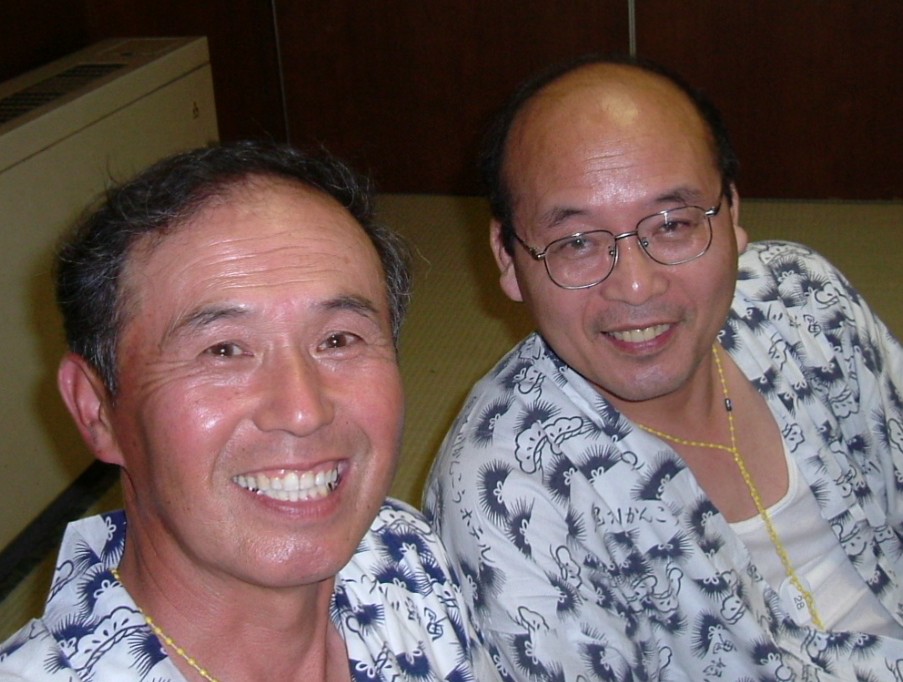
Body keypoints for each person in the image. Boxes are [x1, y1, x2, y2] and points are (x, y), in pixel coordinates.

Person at [424, 54, 903, 680]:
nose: (636, 285)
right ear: (508, 258)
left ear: (732, 215)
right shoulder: (506, 499)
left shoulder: (803, 301)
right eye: (577, 242)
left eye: (674, 224)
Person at [0, 141, 498, 681]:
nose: (303, 411)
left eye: (337, 340)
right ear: (97, 410)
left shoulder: (402, 552)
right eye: (224, 350)